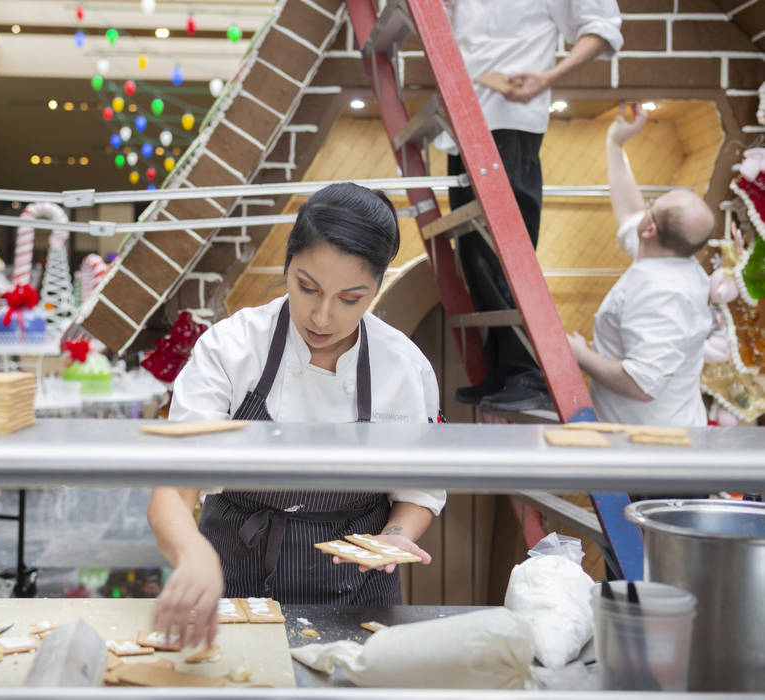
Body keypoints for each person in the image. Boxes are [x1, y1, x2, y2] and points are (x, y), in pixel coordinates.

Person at [147, 183, 445, 649]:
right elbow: (174, 485)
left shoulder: (403, 366)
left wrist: (394, 536)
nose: (322, 316)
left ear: (377, 287)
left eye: (350, 298)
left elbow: (418, 488)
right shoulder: (232, 348)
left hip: (357, 593)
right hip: (231, 575)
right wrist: (191, 555)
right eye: (307, 287)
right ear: (287, 265)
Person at [443, 0, 624, 411]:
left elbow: (603, 25)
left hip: (510, 120)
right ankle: (503, 370)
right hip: (464, 119)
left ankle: (529, 371)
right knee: (473, 254)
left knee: (502, 253)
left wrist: (547, 78)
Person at [567, 103, 714, 426]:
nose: (643, 207)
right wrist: (616, 144)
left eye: (652, 206)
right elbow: (629, 212)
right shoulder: (666, 256)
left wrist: (579, 355)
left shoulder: (665, 294)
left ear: (650, 230)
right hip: (647, 441)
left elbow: (641, 383)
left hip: (660, 450)